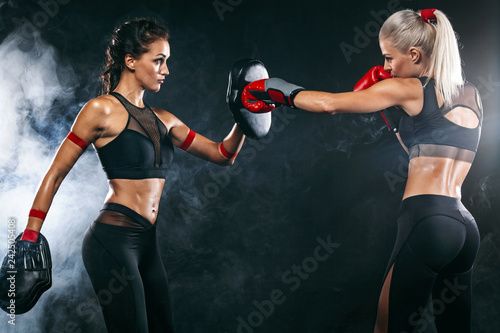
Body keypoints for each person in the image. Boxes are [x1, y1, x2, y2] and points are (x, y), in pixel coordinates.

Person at [241, 8, 482, 333]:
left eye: (388, 58)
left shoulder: (408, 88)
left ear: (414, 54)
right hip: (464, 227)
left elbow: (330, 104)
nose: (384, 68)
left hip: (428, 221)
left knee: (387, 328)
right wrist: (396, 122)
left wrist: (274, 87)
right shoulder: (470, 94)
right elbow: (423, 154)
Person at [18, 18, 245, 332]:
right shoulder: (100, 110)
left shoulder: (165, 120)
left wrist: (244, 114)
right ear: (131, 61)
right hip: (111, 240)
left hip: (146, 243)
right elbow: (55, 174)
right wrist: (30, 236)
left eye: (167, 62)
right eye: (159, 61)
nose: (166, 70)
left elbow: (223, 155)